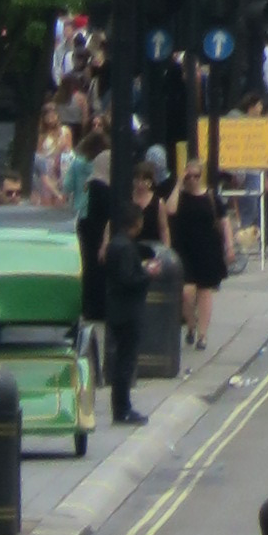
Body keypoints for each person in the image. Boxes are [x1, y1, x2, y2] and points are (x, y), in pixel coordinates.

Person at [102, 165, 163, 428]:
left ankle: (121, 406)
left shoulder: (116, 245)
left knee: (122, 360)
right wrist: (148, 273)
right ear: (135, 224)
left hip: (116, 309)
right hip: (128, 312)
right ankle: (123, 408)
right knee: (126, 361)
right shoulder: (125, 249)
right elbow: (129, 280)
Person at [169, 160, 232, 357]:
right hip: (184, 249)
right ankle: (191, 324)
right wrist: (179, 184)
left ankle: (202, 335)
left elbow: (224, 221)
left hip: (208, 248)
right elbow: (170, 210)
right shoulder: (180, 195)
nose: (193, 180)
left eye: (197, 176)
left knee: (205, 292)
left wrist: (229, 246)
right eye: (190, 176)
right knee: (186, 292)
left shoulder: (211, 195)